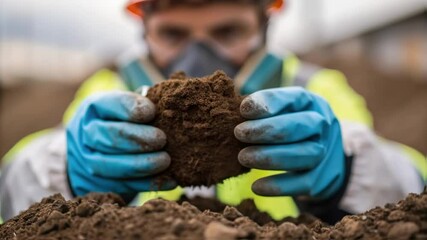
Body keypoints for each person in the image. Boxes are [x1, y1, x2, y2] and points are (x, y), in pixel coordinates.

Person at [1, 0, 425, 224]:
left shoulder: (315, 90)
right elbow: (10, 194)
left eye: (227, 31)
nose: (199, 55)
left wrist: (351, 171)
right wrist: (64, 173)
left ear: (264, 25)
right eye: (174, 34)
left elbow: (414, 194)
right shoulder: (107, 94)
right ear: (144, 28)